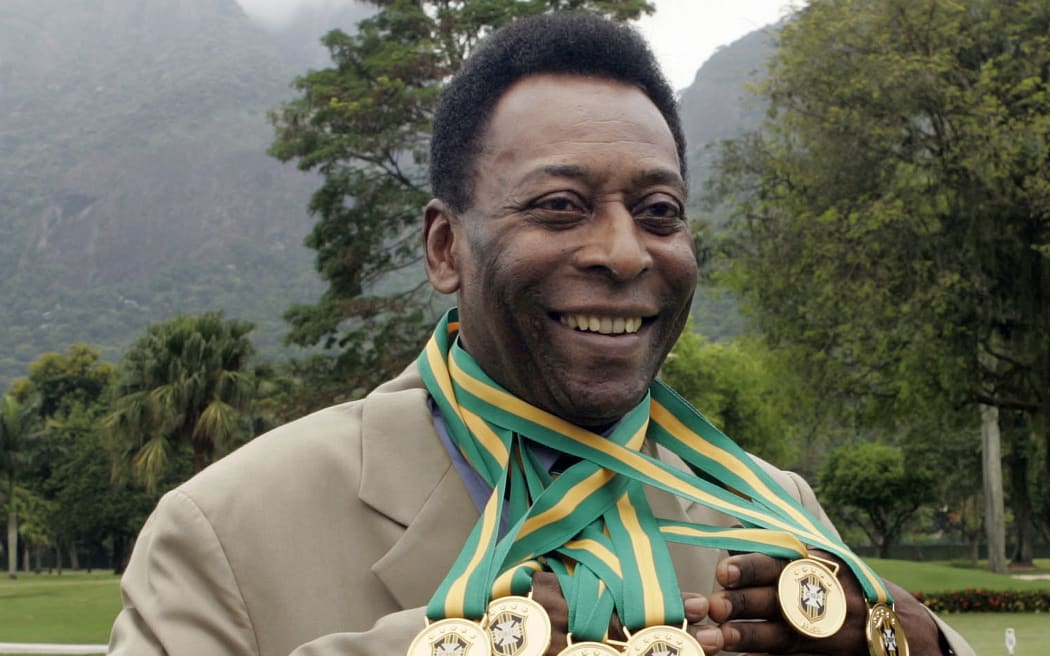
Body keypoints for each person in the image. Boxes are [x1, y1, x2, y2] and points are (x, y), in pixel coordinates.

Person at [109, 12, 973, 656]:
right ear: (446, 248)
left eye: (658, 212)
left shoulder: (777, 519)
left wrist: (913, 644)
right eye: (560, 207)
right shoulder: (223, 531)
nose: (624, 252)